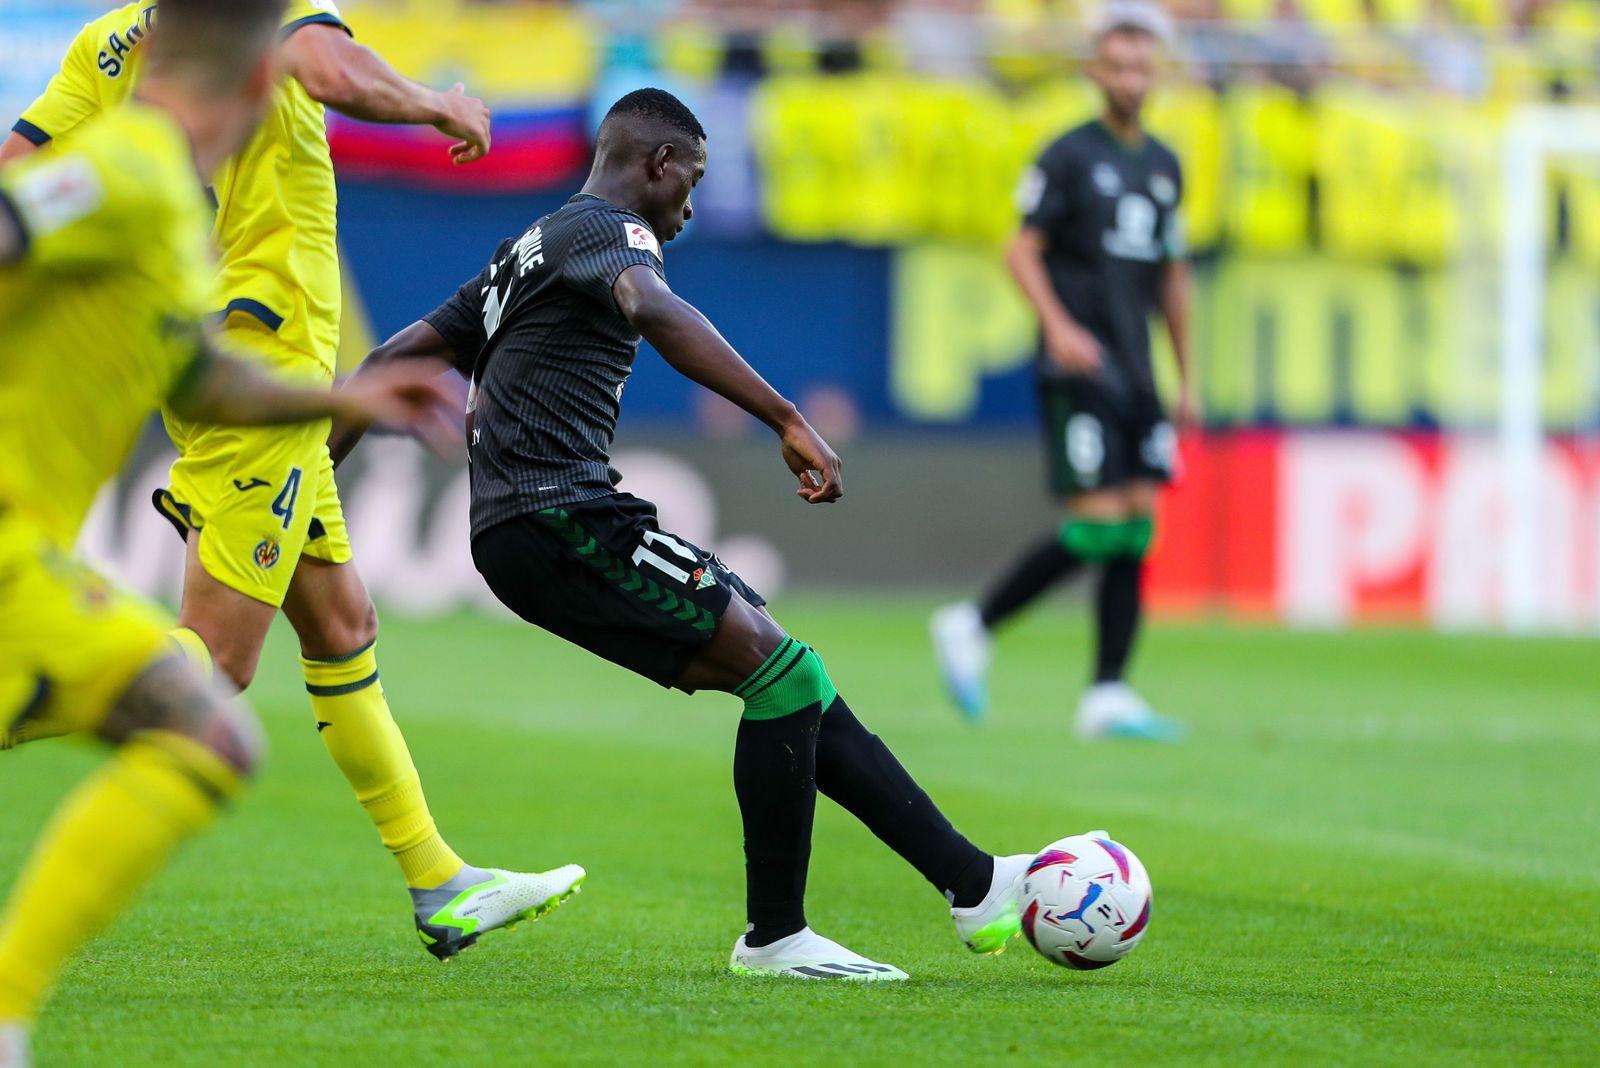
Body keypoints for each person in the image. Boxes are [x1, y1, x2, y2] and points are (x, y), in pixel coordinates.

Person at [329, 88, 1060, 980]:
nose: (690, 209)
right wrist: (786, 417)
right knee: (783, 672)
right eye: (693, 181)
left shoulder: (523, 252)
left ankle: (971, 883)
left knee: (792, 677)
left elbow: (385, 364)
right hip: (560, 513)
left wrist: (311, 469)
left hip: (532, 524)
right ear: (658, 164)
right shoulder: (612, 233)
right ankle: (778, 938)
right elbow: (655, 312)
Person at [0, 2, 580, 955]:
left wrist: (348, 406)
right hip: (267, 343)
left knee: (342, 621)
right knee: (218, 669)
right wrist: (443, 105)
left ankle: (440, 881)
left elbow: (24, 172)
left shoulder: (110, 46)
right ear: (254, 76)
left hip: (242, 363)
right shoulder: (249, 35)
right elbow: (328, 64)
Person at [932, 4, 1195, 741]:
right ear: (1095, 70)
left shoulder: (1166, 163)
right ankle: (971, 623)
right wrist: (1060, 327)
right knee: (1096, 526)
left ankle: (1108, 692)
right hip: (1080, 364)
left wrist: (1188, 374)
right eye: (1119, 65)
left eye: (1143, 66)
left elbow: (1174, 277)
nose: (1132, 79)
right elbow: (1020, 250)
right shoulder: (1068, 155)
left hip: (1141, 370)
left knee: (1139, 526)